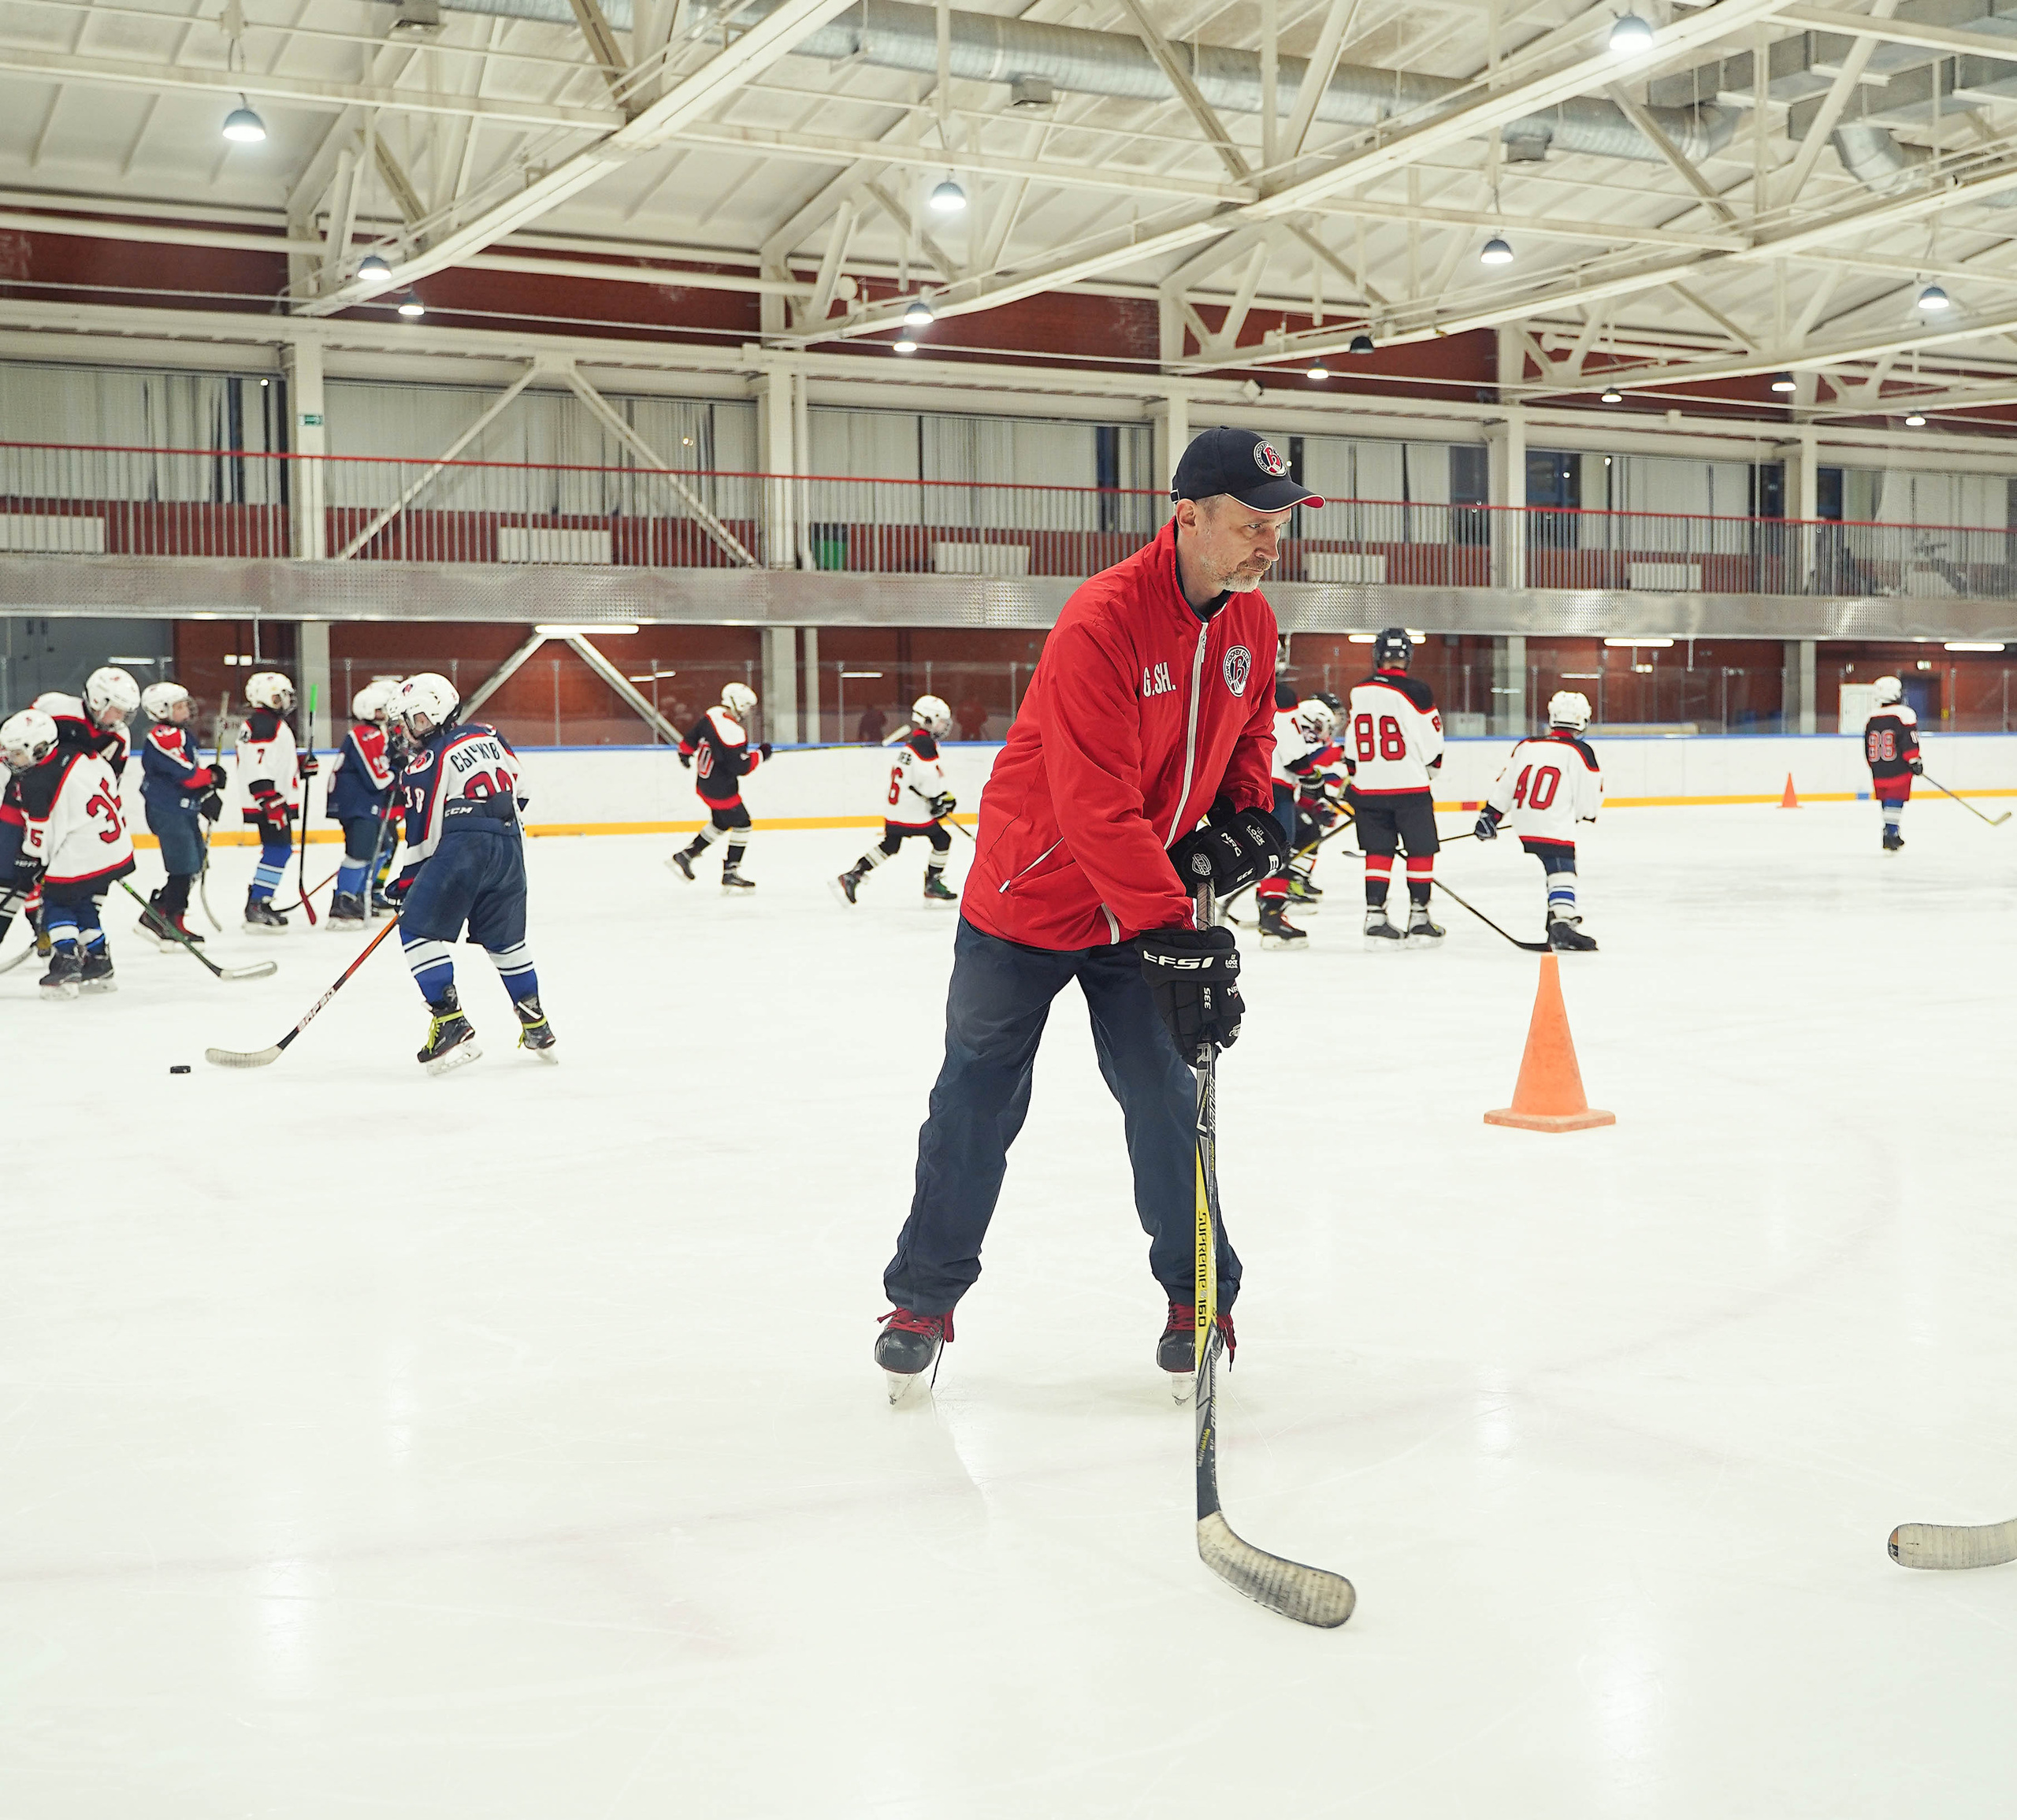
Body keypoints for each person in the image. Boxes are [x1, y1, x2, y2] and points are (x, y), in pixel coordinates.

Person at [873, 426, 1321, 1396]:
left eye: (1278, 526)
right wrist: (1176, 932)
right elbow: (1091, 805)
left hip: (1139, 901)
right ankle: (922, 1296)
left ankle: (1197, 1291)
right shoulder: (1102, 621)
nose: (1266, 545)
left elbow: (1248, 738)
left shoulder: (1250, 624)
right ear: (1187, 516)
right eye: (1250, 524)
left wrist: (1247, 821)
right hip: (1027, 898)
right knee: (976, 1100)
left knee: (1165, 1101)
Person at [383, 672, 555, 1072]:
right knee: (506, 941)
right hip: (511, 846)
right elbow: (522, 790)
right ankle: (536, 1023)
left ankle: (449, 1021)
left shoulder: (425, 761)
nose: (409, 731)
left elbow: (424, 835)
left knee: (415, 928)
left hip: (463, 849)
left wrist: (406, 883)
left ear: (436, 712)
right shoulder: (488, 733)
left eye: (415, 720)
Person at [1, 704, 136, 997]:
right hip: (116, 846)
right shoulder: (80, 753)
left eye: (17, 753)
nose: (10, 759)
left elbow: (41, 836)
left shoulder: (37, 781)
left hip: (84, 853)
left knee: (57, 902)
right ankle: (99, 960)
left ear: (38, 748)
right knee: (82, 902)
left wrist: (30, 860)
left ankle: (66, 963)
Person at [1475, 691, 1604, 951]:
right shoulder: (1580, 750)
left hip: (1523, 818)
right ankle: (1562, 922)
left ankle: (1554, 916)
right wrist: (1582, 814)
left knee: (1553, 864)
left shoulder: (1527, 745)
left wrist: (1491, 815)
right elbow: (1589, 797)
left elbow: (1507, 782)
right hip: (1553, 821)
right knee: (1562, 868)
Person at [1345, 627, 1445, 945]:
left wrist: (1360, 775)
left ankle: (1375, 917)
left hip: (1368, 788)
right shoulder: (1417, 691)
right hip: (1410, 788)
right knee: (1421, 851)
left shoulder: (1359, 690)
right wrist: (1430, 769)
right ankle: (1419, 917)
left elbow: (1351, 749)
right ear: (1408, 657)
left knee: (1378, 852)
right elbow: (1432, 745)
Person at [834, 693, 960, 904]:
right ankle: (932, 883)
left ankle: (854, 874)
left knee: (891, 843)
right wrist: (941, 800)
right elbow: (929, 779)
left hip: (896, 809)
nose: (944, 727)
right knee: (942, 839)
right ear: (928, 720)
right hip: (912, 811)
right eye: (940, 721)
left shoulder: (915, 743)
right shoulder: (924, 745)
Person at [136, 681, 227, 947]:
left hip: (184, 808)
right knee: (183, 866)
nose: (186, 708)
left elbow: (189, 777)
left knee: (195, 864)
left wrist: (206, 793)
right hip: (168, 810)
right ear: (161, 710)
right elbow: (186, 775)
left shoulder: (183, 735)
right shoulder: (163, 735)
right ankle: (173, 921)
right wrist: (209, 777)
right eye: (179, 706)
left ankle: (157, 913)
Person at [236, 670, 318, 932]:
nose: (285, 702)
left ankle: (261, 900)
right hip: (269, 802)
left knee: (278, 850)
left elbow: (274, 762)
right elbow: (257, 765)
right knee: (278, 850)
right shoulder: (263, 724)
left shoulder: (269, 723)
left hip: (272, 799)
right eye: (278, 697)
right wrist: (267, 798)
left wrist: (301, 765)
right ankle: (258, 903)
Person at [669, 682, 769, 890]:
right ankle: (731, 872)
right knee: (743, 824)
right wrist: (761, 755)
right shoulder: (732, 730)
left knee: (721, 822)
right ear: (739, 704)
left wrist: (685, 752)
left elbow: (693, 736)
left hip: (705, 784)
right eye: (748, 706)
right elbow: (740, 766)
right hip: (721, 790)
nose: (749, 711)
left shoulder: (713, 715)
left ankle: (686, 855)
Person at [327, 679, 403, 925]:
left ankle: (360, 893)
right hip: (356, 804)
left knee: (383, 847)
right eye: (382, 708)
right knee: (359, 853)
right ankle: (343, 903)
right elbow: (377, 780)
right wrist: (396, 771)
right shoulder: (365, 735)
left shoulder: (375, 734)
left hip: (366, 804)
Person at [1863, 674, 1921, 852]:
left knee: (1887, 799)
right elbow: (1908, 740)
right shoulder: (1904, 713)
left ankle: (1891, 830)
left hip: (1879, 765)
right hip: (1898, 764)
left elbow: (1867, 745)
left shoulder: (1871, 717)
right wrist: (1914, 760)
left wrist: (1873, 764)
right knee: (1896, 798)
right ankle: (1891, 833)